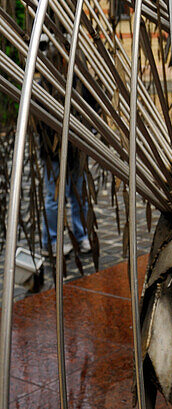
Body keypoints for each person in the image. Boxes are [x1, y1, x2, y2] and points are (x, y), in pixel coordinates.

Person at [37, 33, 92, 257]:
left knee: (80, 194)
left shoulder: (83, 83)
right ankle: (52, 240)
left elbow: (93, 112)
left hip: (77, 152)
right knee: (54, 197)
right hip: (52, 153)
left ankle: (81, 236)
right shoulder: (43, 85)